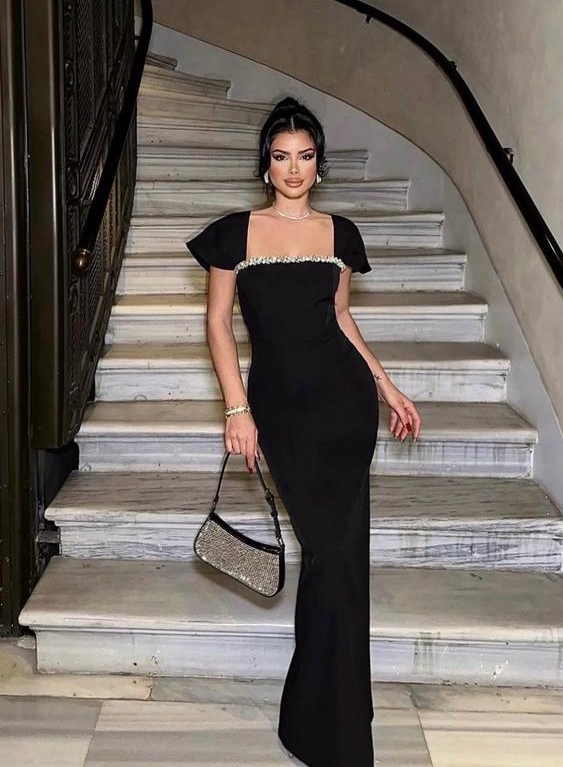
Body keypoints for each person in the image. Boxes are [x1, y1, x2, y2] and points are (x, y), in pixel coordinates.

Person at [186, 96, 422, 767]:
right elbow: (217, 324)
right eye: (282, 156)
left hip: (344, 406)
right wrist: (236, 408)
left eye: (306, 156)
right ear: (266, 165)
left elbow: (342, 319)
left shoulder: (339, 234)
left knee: (341, 560)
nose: (294, 169)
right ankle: (322, 716)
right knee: (326, 552)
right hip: (282, 410)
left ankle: (331, 721)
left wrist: (386, 385)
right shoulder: (234, 234)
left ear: (320, 164)